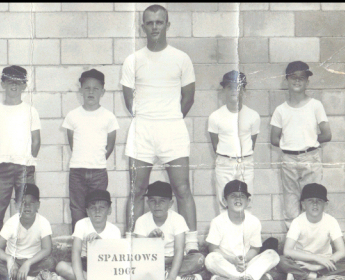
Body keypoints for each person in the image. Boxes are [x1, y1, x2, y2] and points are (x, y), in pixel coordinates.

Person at [120, 4, 198, 253]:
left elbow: (188, 98)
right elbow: (129, 101)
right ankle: (132, 244)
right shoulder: (133, 60)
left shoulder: (181, 58)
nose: (154, 27)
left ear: (167, 25)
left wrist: (170, 118)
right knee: (136, 189)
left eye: (159, 22)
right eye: (150, 22)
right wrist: (149, 118)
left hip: (172, 129)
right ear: (142, 26)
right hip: (142, 129)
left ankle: (191, 245)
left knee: (182, 188)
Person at [0, 65, 41, 250]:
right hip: (2, 168)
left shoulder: (30, 110)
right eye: (10, 81)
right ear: (3, 84)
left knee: (25, 212)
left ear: (24, 85)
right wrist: (4, 157)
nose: (14, 86)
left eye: (18, 82)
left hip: (24, 167)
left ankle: (23, 253)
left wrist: (26, 160)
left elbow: (36, 141)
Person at [270, 61, 332, 228]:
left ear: (307, 82)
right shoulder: (280, 110)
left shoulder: (315, 105)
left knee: (313, 199)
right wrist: (291, 144)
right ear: (286, 80)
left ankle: (313, 239)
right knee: (290, 202)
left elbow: (327, 134)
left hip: (310, 157)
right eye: (293, 77)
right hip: (289, 159)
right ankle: (294, 244)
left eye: (302, 78)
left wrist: (307, 142)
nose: (297, 81)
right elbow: (274, 138)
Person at [62, 69, 119, 231]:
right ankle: (79, 246)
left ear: (103, 91)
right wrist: (83, 159)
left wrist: (97, 160)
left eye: (95, 88)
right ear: (80, 90)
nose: (91, 92)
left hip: (99, 172)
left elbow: (110, 145)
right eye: (87, 88)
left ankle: (97, 245)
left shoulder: (108, 117)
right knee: (77, 208)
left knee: (98, 208)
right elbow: (72, 143)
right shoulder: (73, 116)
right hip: (77, 171)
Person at [205, 180, 280, 280]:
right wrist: (232, 260)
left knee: (272, 255)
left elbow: (255, 248)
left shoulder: (254, 221)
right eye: (233, 196)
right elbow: (213, 248)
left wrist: (245, 260)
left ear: (248, 201)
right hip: (227, 263)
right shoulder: (217, 221)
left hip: (248, 264)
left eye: (242, 196)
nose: (238, 199)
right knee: (210, 258)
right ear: (225, 201)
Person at [133, 181, 206, 280]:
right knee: (135, 264)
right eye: (153, 201)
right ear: (148, 203)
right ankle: (184, 278)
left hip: (174, 259)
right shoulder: (141, 220)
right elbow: (140, 252)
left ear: (170, 204)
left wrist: (171, 277)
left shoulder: (177, 219)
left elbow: (179, 250)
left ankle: (167, 276)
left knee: (199, 259)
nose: (157, 205)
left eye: (162, 201)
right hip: (153, 260)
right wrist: (150, 240)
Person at [277, 183, 345, 280]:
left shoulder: (331, 221)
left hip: (326, 262)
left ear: (325, 205)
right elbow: (287, 250)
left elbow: (342, 251)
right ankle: (321, 276)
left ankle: (305, 276)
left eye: (319, 201)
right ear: (303, 204)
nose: (315, 204)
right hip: (303, 262)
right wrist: (316, 258)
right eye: (310, 201)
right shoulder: (297, 222)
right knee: (281, 260)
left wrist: (319, 265)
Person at [0, 183, 56, 280]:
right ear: (16, 205)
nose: (27, 206)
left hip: (33, 262)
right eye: (23, 202)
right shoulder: (12, 222)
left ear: (38, 205)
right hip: (13, 262)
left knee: (50, 262)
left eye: (32, 202)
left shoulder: (43, 222)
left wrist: (28, 263)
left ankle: (12, 279)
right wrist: (9, 260)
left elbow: (47, 249)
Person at [208, 71, 260, 213]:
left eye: (238, 87)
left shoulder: (253, 115)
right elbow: (215, 144)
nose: (234, 91)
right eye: (230, 87)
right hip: (225, 163)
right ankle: (226, 235)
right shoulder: (215, 116)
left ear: (244, 90)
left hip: (245, 163)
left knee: (246, 201)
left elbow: (252, 142)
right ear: (224, 90)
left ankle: (245, 234)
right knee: (224, 202)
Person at [55, 189, 121, 280]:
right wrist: (80, 278)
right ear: (87, 211)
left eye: (102, 207)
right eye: (92, 207)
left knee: (113, 275)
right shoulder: (81, 224)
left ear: (109, 210)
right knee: (61, 266)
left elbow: (114, 260)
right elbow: (76, 252)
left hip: (103, 265)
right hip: (84, 263)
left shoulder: (114, 230)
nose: (97, 211)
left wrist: (100, 242)